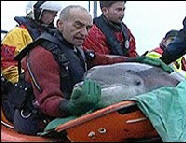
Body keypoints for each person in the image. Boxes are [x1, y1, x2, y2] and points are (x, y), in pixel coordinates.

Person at [13, 5, 129, 135]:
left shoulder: (74, 48)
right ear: (60, 24)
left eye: (88, 28)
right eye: (78, 25)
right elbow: (47, 101)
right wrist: (72, 106)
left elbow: (101, 59)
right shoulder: (42, 54)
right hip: (40, 123)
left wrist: (135, 61)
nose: (84, 33)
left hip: (65, 114)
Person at [1, 1, 62, 84]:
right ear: (37, 12)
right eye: (51, 12)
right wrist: (26, 80)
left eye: (55, 13)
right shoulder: (17, 34)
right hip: (28, 87)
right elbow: (7, 63)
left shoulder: (53, 34)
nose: (54, 15)